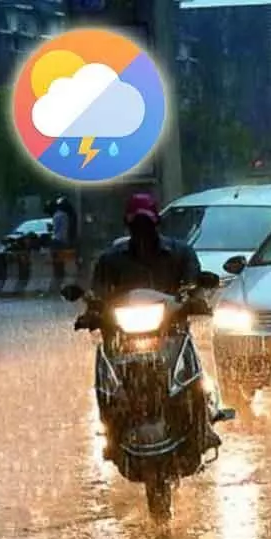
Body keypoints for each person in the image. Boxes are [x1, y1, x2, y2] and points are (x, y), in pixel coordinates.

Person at [89, 193, 222, 454]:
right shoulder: (110, 260)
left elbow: (193, 286)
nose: (142, 232)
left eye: (146, 226)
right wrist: (92, 312)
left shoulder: (181, 253)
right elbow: (98, 295)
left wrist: (195, 299)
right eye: (136, 226)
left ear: (156, 224)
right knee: (106, 377)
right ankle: (112, 430)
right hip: (124, 337)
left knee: (192, 367)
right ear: (128, 226)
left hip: (170, 332)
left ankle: (202, 423)